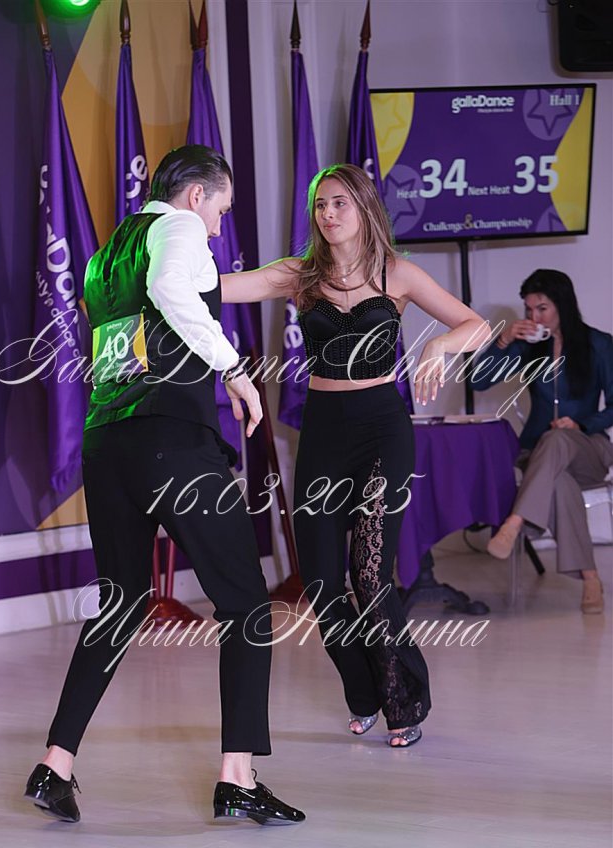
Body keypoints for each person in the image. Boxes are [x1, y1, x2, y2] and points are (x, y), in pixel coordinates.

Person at [24, 145, 305, 825]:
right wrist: (235, 370)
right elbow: (175, 293)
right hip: (170, 444)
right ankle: (237, 778)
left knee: (121, 604)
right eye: (221, 211)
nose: (218, 228)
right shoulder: (178, 227)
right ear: (196, 195)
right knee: (245, 602)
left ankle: (55, 764)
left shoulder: (107, 254)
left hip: (108, 445)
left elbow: (136, 336)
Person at [221, 164, 490, 747]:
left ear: (364, 207)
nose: (328, 213)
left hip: (381, 430)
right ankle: (362, 691)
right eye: (320, 205)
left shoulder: (398, 273)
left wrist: (441, 346)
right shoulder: (300, 275)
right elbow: (222, 287)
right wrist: (161, 260)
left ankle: (402, 700)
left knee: (369, 577)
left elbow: (477, 326)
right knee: (320, 583)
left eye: (339, 202)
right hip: (322, 433)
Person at [473, 269, 613, 614]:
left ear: (562, 305)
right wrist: (504, 339)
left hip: (587, 449)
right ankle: (591, 578)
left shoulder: (599, 344)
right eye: (528, 309)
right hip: (538, 456)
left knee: (560, 437)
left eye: (542, 308)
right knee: (559, 481)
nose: (534, 317)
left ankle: (514, 523)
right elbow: (477, 380)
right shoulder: (528, 346)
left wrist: (581, 424)